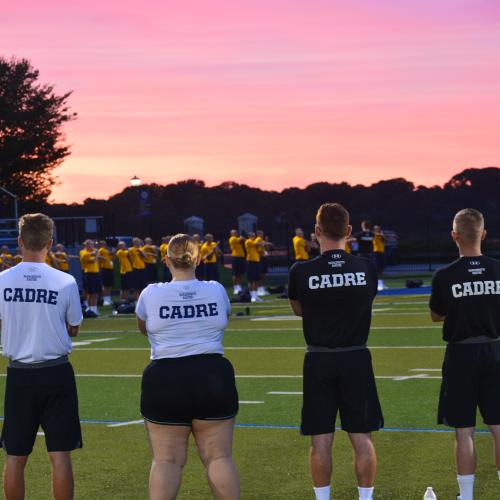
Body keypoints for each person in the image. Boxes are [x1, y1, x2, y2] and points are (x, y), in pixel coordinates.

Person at [288, 203, 383, 500]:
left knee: (320, 439)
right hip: (356, 356)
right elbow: (365, 301)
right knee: (361, 436)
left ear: (317, 232)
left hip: (319, 358)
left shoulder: (301, 270)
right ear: (349, 232)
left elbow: (298, 309)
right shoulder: (366, 266)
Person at [135, 234, 240, 500]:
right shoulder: (216, 289)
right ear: (199, 258)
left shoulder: (151, 293)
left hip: (165, 377)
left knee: (166, 461)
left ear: (166, 260)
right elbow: (223, 319)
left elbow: (144, 329)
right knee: (219, 457)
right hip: (212, 375)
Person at [0, 213, 83, 500]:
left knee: (15, 455)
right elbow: (74, 327)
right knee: (60, 454)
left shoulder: (2, 280)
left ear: (20, 241)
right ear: (50, 242)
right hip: (56, 372)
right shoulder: (65, 280)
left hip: (19, 372)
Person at [429, 208, 500, 500]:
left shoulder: (445, 275)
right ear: (483, 234)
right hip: (496, 349)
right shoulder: (498, 269)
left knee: (464, 430)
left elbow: (436, 314)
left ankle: (467, 496)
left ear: (454, 236)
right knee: (499, 425)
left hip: (460, 354)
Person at [79, 239, 101, 316]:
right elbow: (92, 261)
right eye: (89, 244)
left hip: (96, 273)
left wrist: (96, 253)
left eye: (92, 244)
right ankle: (90, 309)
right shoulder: (83, 251)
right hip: (89, 273)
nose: (92, 246)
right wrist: (95, 254)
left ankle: (94, 309)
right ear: (86, 245)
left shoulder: (95, 251)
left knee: (95, 293)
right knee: (90, 293)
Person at [245, 232, 264, 303]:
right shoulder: (248, 241)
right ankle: (252, 296)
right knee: (251, 280)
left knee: (256, 280)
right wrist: (263, 243)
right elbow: (257, 244)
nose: (253, 237)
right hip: (250, 262)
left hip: (256, 262)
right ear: (249, 236)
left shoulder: (254, 243)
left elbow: (260, 251)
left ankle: (255, 295)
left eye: (254, 236)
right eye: (252, 236)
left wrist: (262, 246)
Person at [255, 230, 272, 297]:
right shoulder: (258, 240)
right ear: (258, 234)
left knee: (264, 274)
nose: (262, 235)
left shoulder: (262, 240)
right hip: (260, 259)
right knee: (261, 274)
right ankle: (259, 289)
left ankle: (261, 288)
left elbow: (267, 249)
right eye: (261, 234)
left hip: (264, 258)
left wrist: (266, 242)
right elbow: (258, 249)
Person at [228, 230, 246, 295]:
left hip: (241, 258)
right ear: (231, 234)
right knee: (235, 274)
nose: (236, 233)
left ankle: (239, 286)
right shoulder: (232, 238)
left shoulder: (237, 239)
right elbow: (242, 239)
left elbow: (244, 240)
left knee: (240, 273)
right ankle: (235, 287)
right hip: (235, 258)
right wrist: (242, 236)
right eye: (234, 232)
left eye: (236, 232)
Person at [97, 240, 114, 305]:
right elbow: (97, 256)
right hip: (105, 269)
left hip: (110, 269)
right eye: (103, 244)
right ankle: (105, 300)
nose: (105, 245)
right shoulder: (101, 250)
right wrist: (103, 257)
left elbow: (111, 258)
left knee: (109, 285)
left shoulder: (106, 250)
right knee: (105, 285)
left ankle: (108, 299)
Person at [372, 225, 386, 291]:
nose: (379, 230)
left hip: (382, 253)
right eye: (377, 229)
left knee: (381, 269)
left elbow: (385, 239)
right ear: (375, 229)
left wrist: (382, 235)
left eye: (379, 229)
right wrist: (381, 234)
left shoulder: (381, 236)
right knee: (377, 270)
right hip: (376, 253)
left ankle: (382, 284)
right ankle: (378, 284)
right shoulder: (374, 234)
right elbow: (375, 234)